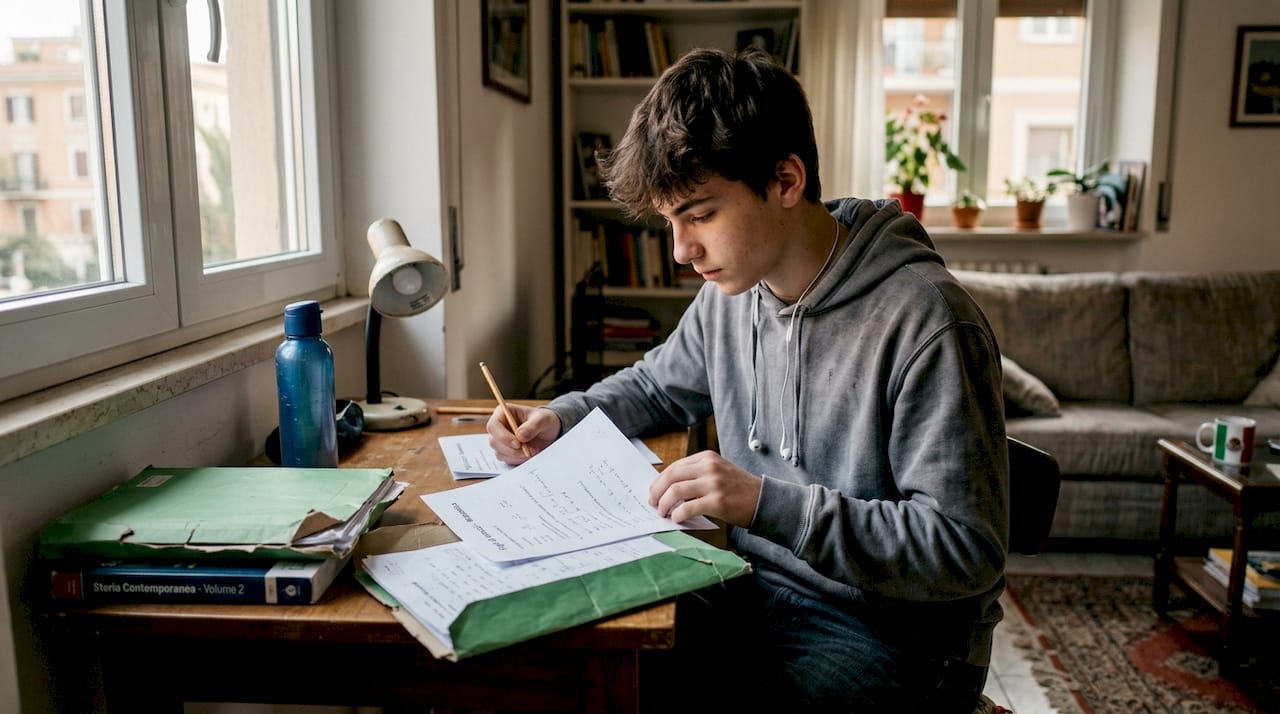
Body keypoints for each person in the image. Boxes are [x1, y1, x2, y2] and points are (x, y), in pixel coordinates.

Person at [487, 46, 1008, 713]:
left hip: (895, 634)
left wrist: (764, 503)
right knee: (570, 652)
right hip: (754, 586)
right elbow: (655, 387)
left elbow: (964, 550)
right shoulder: (733, 292)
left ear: (785, 181)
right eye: (670, 222)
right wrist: (560, 417)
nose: (681, 250)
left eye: (701, 215)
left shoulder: (929, 322)